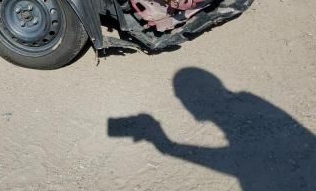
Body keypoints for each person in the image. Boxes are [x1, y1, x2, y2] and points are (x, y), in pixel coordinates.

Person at [108, 67, 316, 190]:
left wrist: (168, 146)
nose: (182, 102)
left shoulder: (250, 110)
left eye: (181, 97)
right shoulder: (253, 105)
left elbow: (241, 163)